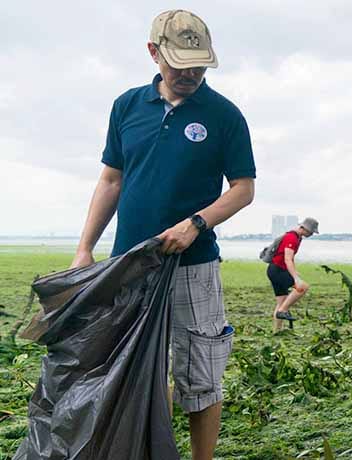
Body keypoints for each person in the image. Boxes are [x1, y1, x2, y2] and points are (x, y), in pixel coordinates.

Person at [69, 10, 255, 460]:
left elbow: (244, 190)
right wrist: (85, 248)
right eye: (180, 62)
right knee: (123, 368)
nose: (191, 73)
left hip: (193, 266)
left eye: (199, 64)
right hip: (129, 264)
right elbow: (111, 180)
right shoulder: (127, 106)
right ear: (154, 53)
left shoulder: (224, 115)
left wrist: (197, 224)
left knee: (200, 373)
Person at [267, 217, 318, 330]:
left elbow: (290, 259)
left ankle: (277, 331)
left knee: (281, 302)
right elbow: (287, 259)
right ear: (304, 228)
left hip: (274, 269)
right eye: (311, 232)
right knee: (303, 287)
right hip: (277, 270)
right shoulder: (292, 238)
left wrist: (295, 271)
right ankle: (282, 311)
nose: (311, 234)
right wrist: (296, 278)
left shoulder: (297, 237)